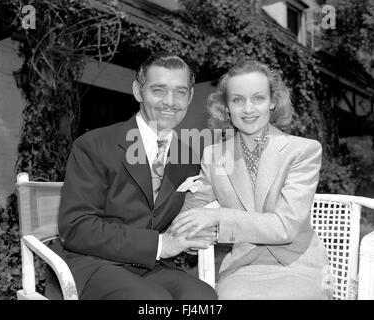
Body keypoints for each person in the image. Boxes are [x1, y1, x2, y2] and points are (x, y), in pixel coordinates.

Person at [48, 53, 218, 300]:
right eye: (158, 90)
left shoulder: (188, 157)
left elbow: (169, 219)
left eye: (180, 92)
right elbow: (76, 228)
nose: (170, 102)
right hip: (92, 263)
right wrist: (160, 244)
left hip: (150, 266)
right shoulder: (94, 145)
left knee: (203, 298)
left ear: (190, 97)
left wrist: (191, 235)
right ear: (139, 91)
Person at [170, 60, 333, 300]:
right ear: (226, 107)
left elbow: (284, 228)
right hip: (243, 268)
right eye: (237, 100)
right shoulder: (214, 155)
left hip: (299, 266)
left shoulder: (303, 151)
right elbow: (193, 212)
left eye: (258, 98)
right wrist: (190, 233)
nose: (248, 109)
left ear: (272, 102)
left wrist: (216, 217)